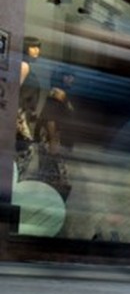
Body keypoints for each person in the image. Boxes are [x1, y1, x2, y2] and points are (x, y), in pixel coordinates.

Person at [34, 69, 75, 201]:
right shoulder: (57, 94)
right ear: (62, 78)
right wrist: (53, 141)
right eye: (69, 76)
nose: (72, 80)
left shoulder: (60, 94)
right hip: (53, 142)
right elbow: (50, 118)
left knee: (50, 174)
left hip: (53, 141)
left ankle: (49, 201)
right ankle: (51, 202)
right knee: (56, 176)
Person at [15, 37, 42, 179]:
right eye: (33, 47)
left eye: (38, 47)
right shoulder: (23, 65)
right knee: (27, 150)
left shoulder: (25, 65)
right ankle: (13, 181)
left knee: (24, 150)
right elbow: (14, 91)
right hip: (17, 114)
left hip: (20, 113)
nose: (37, 50)